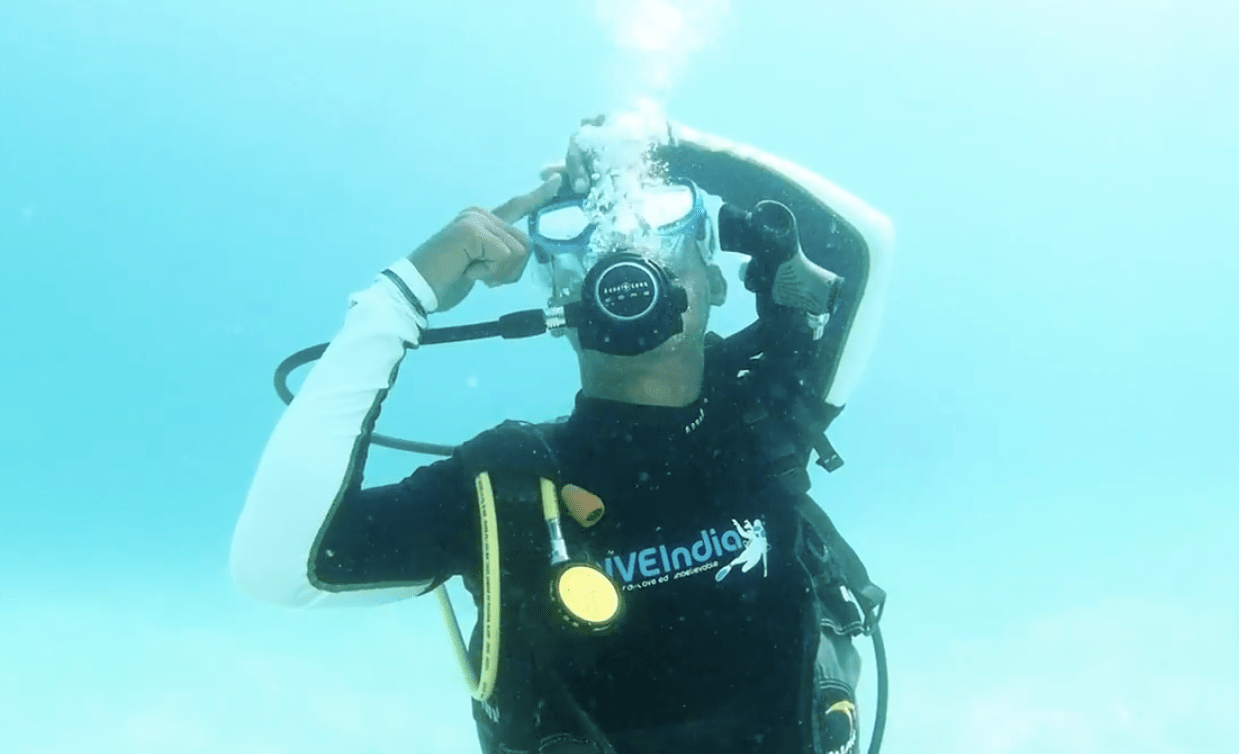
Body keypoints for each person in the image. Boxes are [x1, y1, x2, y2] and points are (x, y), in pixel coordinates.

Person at [231, 115, 895, 754]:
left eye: (668, 237)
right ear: (560, 307)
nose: (629, 264)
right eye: (582, 251)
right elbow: (279, 568)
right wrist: (399, 300)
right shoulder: (506, 487)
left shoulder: (764, 417)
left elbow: (866, 245)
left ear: (717, 280)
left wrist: (669, 145)